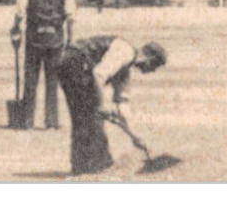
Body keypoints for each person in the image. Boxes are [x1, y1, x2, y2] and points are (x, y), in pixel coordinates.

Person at [55, 36, 168, 175]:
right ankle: (93, 166)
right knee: (88, 115)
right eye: (154, 66)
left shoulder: (125, 70)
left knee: (88, 115)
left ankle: (87, 166)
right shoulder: (125, 52)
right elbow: (98, 74)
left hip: (76, 65)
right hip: (74, 61)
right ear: (148, 57)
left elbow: (122, 105)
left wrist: (135, 137)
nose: (152, 71)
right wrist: (103, 105)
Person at [12, 0, 75, 130]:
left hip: (34, 38)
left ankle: (27, 120)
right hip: (55, 39)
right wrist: (70, 40)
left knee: (30, 79)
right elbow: (71, 17)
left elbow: (19, 13)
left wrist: (15, 28)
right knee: (52, 80)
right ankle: (51, 120)